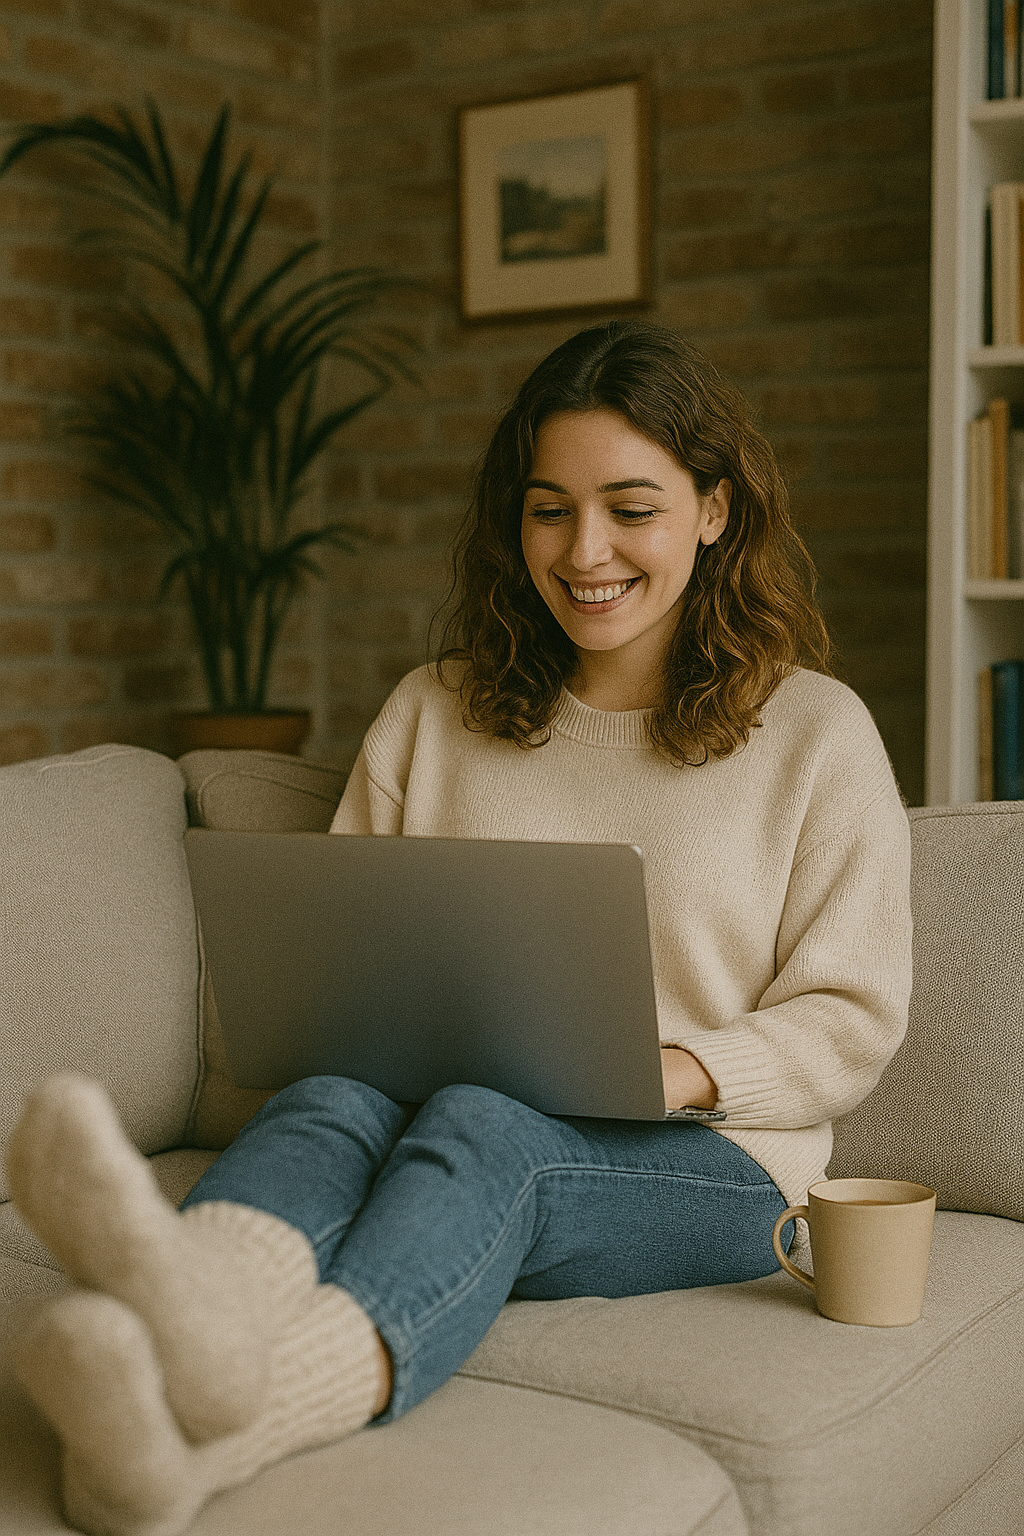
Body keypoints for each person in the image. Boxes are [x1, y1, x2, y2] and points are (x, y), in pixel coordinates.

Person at [5, 320, 913, 1536]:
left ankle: (231, 1402)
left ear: (713, 511)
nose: (584, 552)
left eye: (630, 510)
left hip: (719, 1164)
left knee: (490, 1128)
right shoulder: (433, 712)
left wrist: (673, 1068)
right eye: (548, 511)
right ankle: (184, 1340)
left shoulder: (813, 733)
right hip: (433, 1103)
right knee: (328, 1098)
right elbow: (341, 959)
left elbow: (851, 1017)